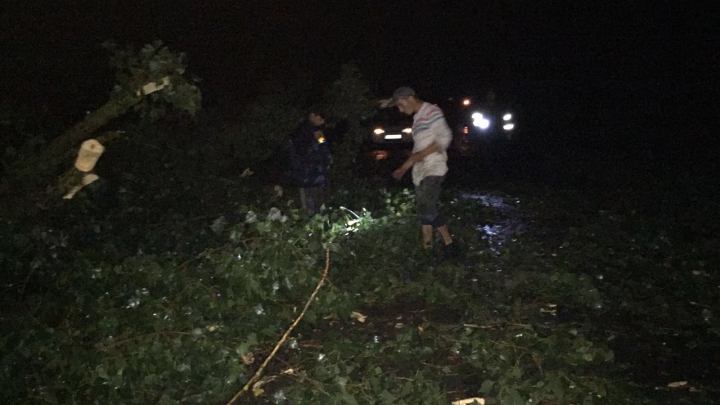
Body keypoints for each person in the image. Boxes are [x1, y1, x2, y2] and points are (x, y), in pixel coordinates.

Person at [390, 87, 459, 259]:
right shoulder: (417, 119)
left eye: (400, 104)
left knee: (426, 206)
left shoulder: (431, 111)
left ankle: (450, 244)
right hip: (421, 171)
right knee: (423, 211)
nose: (400, 109)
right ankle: (427, 247)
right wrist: (403, 168)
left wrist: (421, 155)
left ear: (411, 98)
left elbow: (444, 137)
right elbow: (417, 149)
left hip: (434, 167)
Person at [289, 110, 332, 216]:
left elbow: (323, 146)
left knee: (319, 201)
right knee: (310, 203)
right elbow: (299, 151)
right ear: (312, 115)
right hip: (307, 174)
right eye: (320, 119)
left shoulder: (317, 132)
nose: (322, 122)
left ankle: (319, 220)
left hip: (316, 174)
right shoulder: (303, 131)